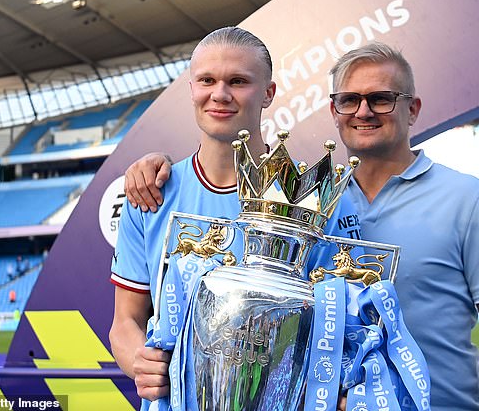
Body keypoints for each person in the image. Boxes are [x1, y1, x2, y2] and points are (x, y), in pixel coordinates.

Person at [126, 41, 479, 410]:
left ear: (412, 109)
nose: (363, 111)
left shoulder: (467, 200)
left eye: (381, 98)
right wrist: (153, 165)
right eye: (349, 100)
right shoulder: (310, 202)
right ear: (334, 111)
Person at [109, 26, 360, 410]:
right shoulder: (150, 194)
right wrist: (138, 362)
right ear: (191, 89)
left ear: (268, 93)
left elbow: (343, 325)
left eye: (238, 81)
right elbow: (125, 321)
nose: (220, 94)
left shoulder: (315, 201)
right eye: (207, 80)